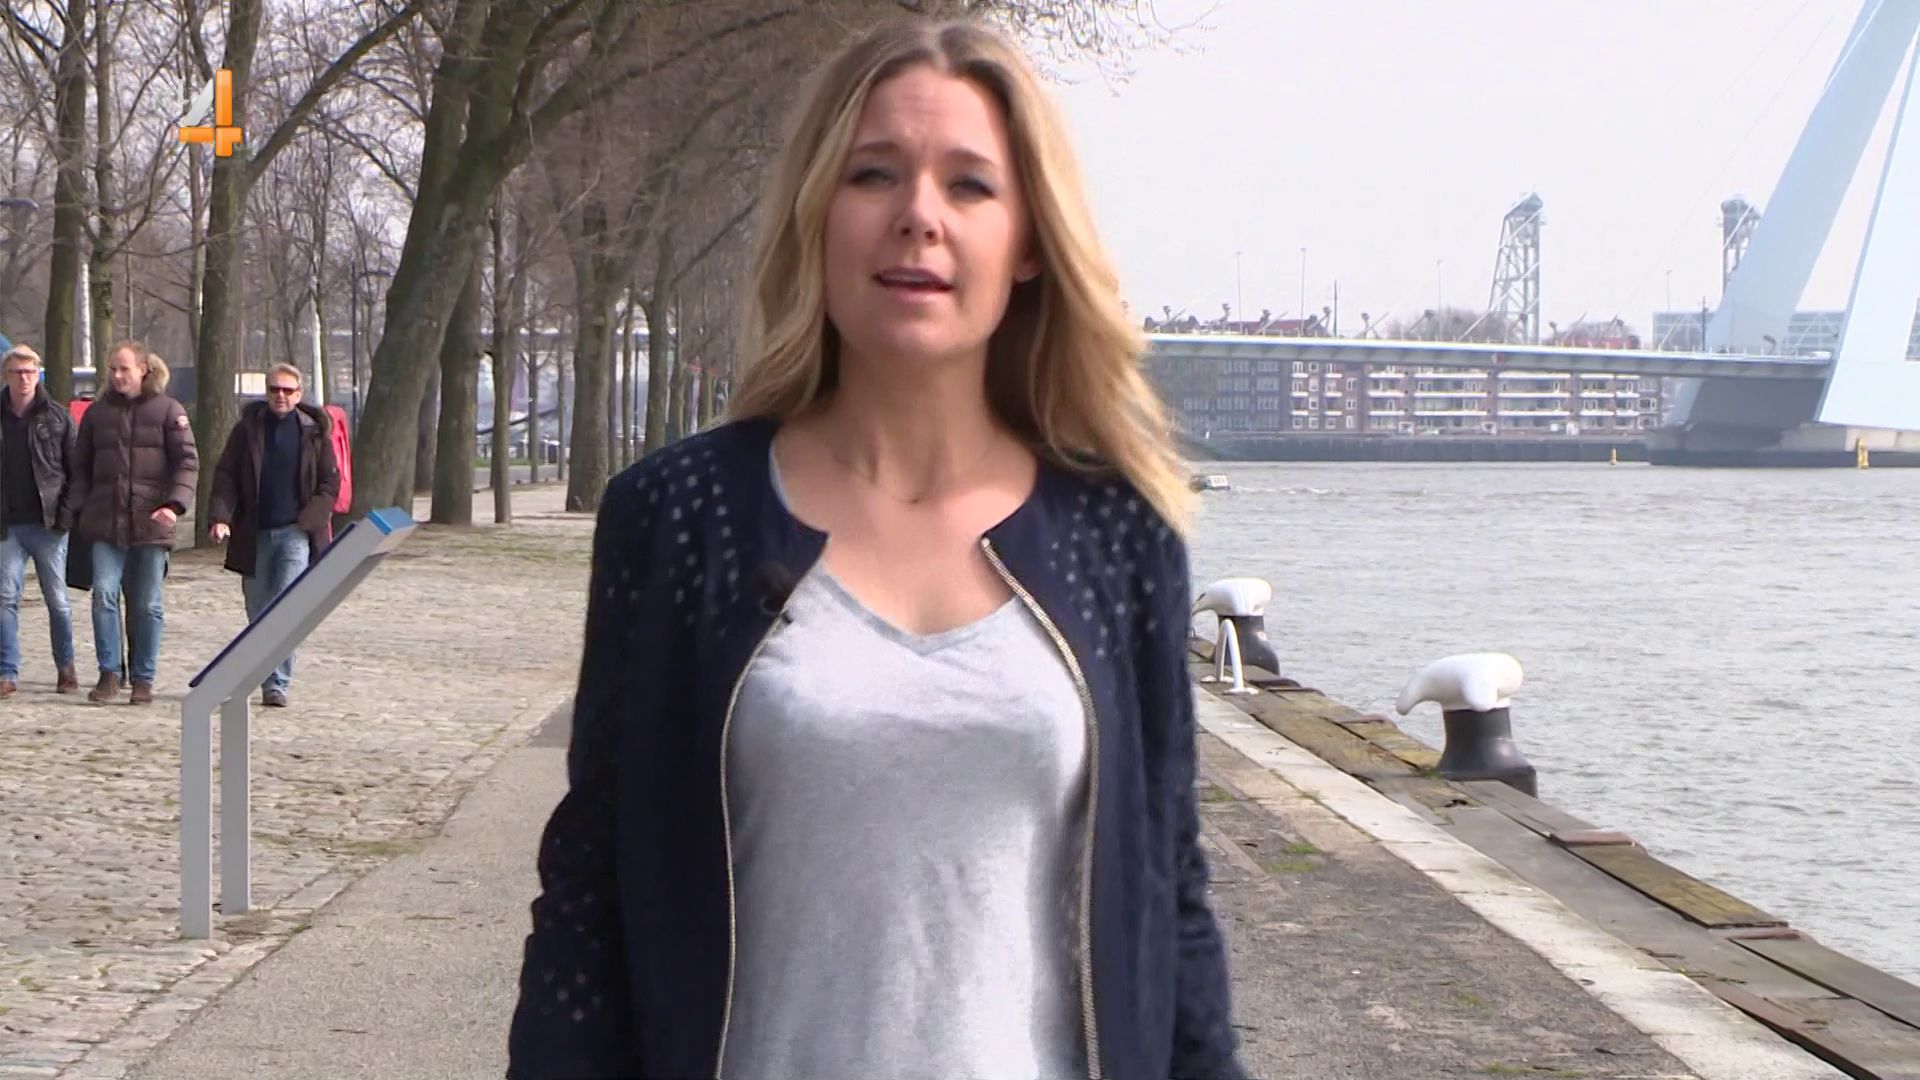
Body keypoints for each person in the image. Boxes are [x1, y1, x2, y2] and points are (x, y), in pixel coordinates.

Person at [509, 17, 1243, 1080]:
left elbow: (1170, 892)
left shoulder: (1120, 534)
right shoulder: (679, 517)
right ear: (816, 213)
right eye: (873, 174)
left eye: (970, 185)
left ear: (1029, 241)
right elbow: (589, 896)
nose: (918, 217)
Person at [62, 342, 198, 705]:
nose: (117, 375)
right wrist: (75, 509)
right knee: (104, 596)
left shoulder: (169, 410)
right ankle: (109, 672)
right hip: (104, 522)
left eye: (124, 368)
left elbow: (187, 462)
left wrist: (175, 505)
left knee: (147, 604)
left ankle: (143, 677)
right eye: (113, 369)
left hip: (151, 523)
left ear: (143, 370)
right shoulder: (97, 414)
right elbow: (81, 467)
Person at [208, 363, 339, 707]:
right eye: (274, 389)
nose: (280, 395)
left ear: (298, 394)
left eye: (287, 390)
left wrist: (307, 521)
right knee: (258, 609)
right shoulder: (247, 430)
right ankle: (266, 674)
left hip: (295, 533)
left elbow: (329, 484)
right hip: (254, 534)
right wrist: (221, 517)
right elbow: (226, 475)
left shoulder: (313, 433)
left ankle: (276, 683)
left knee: (286, 606)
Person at [0, 344, 79, 696]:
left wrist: (66, 515)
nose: (24, 378)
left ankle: (66, 666)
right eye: (17, 372)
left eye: (30, 372)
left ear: (39, 374)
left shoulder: (57, 417)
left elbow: (76, 471)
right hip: (7, 524)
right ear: (6, 376)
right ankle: (7, 672)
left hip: (49, 524)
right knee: (5, 599)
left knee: (58, 600)